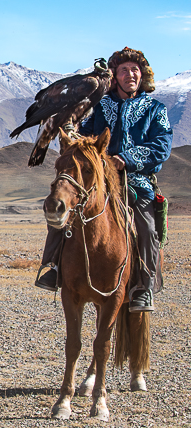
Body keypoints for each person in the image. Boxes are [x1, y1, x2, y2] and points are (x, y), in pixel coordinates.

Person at [35, 47, 173, 312]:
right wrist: (74, 138)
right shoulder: (101, 106)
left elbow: (162, 145)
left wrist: (128, 158)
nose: (130, 74)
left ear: (142, 75)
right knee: (62, 209)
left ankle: (144, 286)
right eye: (124, 70)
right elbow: (87, 135)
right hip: (99, 179)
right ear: (115, 76)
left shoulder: (156, 109)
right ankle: (52, 266)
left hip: (135, 181)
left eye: (135, 70)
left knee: (145, 226)